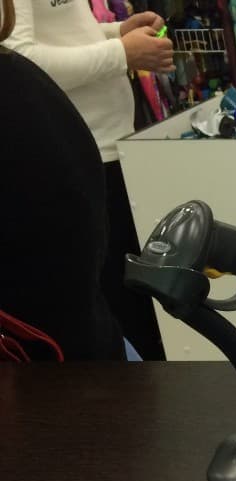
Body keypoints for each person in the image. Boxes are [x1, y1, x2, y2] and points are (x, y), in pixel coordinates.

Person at [4, 0, 175, 356]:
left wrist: (115, 34)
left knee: (135, 306)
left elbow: (55, 37)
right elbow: (19, 54)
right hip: (83, 157)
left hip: (107, 147)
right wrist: (120, 52)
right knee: (121, 312)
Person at [0, 0, 125, 360]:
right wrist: (119, 49)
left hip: (51, 354)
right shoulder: (17, 78)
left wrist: (116, 41)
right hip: (70, 341)